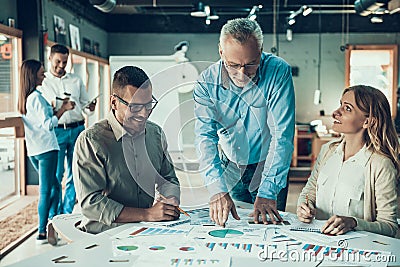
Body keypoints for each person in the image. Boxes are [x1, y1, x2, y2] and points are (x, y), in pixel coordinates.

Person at [194, 18, 295, 226]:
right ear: (221, 52)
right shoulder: (206, 83)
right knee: (236, 228)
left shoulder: (278, 72)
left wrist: (268, 190)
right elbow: (205, 137)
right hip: (231, 165)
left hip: (269, 163)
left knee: (272, 230)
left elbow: (281, 134)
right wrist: (217, 189)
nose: (242, 74)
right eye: (233, 65)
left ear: (261, 51)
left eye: (250, 64)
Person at [72, 66, 181, 234]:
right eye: (136, 107)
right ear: (114, 102)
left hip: (145, 231)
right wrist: (146, 214)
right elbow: (90, 203)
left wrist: (170, 199)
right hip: (102, 235)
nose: (144, 114)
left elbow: (168, 179)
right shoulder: (91, 141)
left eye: (149, 105)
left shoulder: (155, 134)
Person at [297, 85, 399, 237]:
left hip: (356, 253)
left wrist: (354, 223)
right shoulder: (327, 151)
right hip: (317, 243)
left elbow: (390, 226)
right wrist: (303, 206)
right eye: (340, 105)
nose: (335, 113)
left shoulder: (380, 165)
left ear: (368, 122)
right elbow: (310, 191)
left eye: (347, 108)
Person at [18, 59, 75, 244]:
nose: (44, 76)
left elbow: (36, 121)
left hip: (34, 149)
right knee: (47, 190)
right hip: (47, 149)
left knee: (55, 187)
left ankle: (54, 223)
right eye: (41, 73)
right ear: (33, 75)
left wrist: (50, 110)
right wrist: (62, 110)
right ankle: (44, 230)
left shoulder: (25, 98)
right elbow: (48, 125)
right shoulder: (35, 97)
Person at [39, 44, 96, 216]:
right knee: (56, 176)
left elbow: (86, 106)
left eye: (65, 62)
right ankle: (53, 217)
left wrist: (91, 107)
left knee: (76, 174)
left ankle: (66, 213)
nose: (61, 66)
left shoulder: (76, 80)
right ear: (50, 58)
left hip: (78, 129)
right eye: (58, 61)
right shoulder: (43, 82)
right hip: (57, 132)